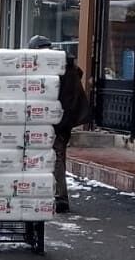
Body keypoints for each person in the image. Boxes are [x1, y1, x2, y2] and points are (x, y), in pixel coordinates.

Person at [28, 35, 90, 213]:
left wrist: (56, 122)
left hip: (61, 119)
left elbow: (61, 98)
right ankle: (51, 194)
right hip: (62, 118)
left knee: (56, 155)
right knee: (56, 156)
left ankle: (60, 198)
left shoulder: (59, 68)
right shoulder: (64, 65)